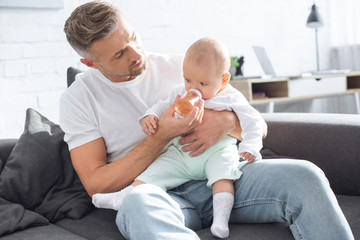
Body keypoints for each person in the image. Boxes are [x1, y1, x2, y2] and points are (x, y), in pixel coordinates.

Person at [60, 1, 354, 240]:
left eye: (134, 37)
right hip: (159, 193)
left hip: (222, 176)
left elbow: (256, 124)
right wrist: (161, 135)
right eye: (120, 53)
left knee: (305, 176)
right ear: (90, 63)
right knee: (138, 205)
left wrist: (226, 123)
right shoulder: (80, 99)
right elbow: (96, 185)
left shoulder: (185, 66)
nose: (137, 54)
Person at [92, 37, 264, 238]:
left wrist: (251, 146)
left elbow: (253, 121)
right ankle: (123, 196)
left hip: (217, 152)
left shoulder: (231, 97)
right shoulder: (182, 92)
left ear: (224, 80)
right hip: (182, 153)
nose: (194, 88)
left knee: (224, 176)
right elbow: (162, 104)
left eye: (203, 83)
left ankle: (220, 220)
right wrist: (150, 116)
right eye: (187, 79)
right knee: (155, 171)